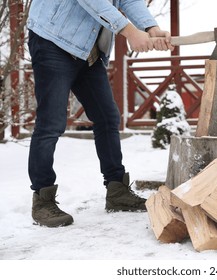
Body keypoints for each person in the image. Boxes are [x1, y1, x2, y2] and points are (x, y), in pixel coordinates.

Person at [27, 0, 174, 227]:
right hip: (53, 39)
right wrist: (130, 32)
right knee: (51, 123)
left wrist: (149, 27)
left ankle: (117, 191)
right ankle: (42, 200)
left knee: (107, 118)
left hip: (89, 49)